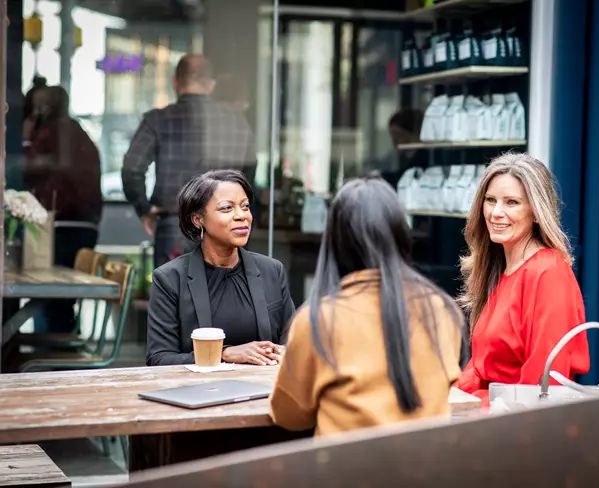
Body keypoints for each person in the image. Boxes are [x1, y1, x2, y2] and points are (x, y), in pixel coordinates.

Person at [269, 177, 464, 436]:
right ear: (400, 235)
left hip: (345, 472)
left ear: (335, 241)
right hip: (425, 471)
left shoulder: (319, 319)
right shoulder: (440, 309)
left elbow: (289, 415)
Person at [455, 152, 590, 404]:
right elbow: (482, 366)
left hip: (517, 427)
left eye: (512, 202)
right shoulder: (499, 269)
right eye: (490, 200)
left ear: (537, 212)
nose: (496, 212)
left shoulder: (548, 272)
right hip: (488, 418)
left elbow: (544, 384)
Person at [146, 170, 295, 366]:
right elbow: (159, 358)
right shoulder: (170, 279)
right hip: (198, 392)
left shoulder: (272, 271)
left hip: (262, 389)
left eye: (245, 207)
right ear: (198, 219)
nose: (241, 216)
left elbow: (293, 344)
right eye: (227, 208)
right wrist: (224, 354)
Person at [122, 54, 257, 268]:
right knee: (225, 299)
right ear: (212, 85)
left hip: (176, 224)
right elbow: (248, 175)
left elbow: (132, 169)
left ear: (175, 82)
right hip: (226, 226)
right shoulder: (237, 123)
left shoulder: (157, 120)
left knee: (175, 298)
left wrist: (144, 208)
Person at [22, 85, 103, 333]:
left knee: (51, 297)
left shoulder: (51, 133)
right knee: (63, 300)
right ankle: (60, 353)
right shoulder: (80, 133)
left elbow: (25, 168)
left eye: (37, 108)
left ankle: (53, 359)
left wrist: (25, 138)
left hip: (60, 223)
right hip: (86, 223)